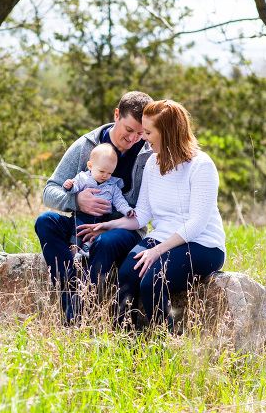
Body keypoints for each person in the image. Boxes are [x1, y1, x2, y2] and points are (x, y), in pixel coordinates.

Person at [77, 99, 225, 331]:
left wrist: (157, 251)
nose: (143, 138)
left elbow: (196, 223)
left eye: (147, 132)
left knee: (153, 281)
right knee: (127, 274)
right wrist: (109, 226)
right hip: (163, 237)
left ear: (167, 132)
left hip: (202, 244)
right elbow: (142, 215)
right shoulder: (153, 164)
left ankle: (165, 345)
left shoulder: (201, 165)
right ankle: (123, 342)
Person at [35, 91, 154, 323]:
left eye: (141, 133)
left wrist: (109, 226)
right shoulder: (86, 145)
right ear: (117, 114)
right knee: (45, 221)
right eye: (128, 130)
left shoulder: (149, 155)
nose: (133, 139)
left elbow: (146, 210)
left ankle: (75, 318)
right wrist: (76, 200)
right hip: (82, 223)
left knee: (104, 242)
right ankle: (70, 288)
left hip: (124, 231)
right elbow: (50, 190)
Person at [63, 143, 136, 262]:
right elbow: (74, 188)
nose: (105, 176)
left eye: (109, 173)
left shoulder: (112, 185)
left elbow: (119, 201)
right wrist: (69, 186)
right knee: (78, 231)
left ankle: (86, 250)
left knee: (96, 236)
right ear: (90, 166)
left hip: (103, 219)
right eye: (102, 171)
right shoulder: (83, 178)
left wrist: (127, 210)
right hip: (83, 216)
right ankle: (74, 253)